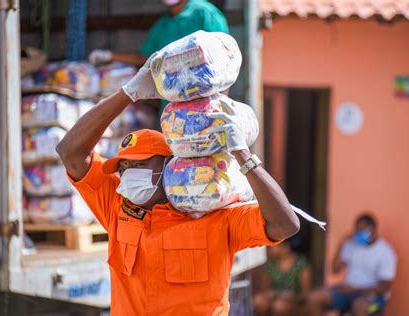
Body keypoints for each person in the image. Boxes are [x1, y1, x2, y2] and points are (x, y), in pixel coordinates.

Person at [56, 54, 300, 314]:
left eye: (139, 165)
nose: (128, 175)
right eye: (124, 167)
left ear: (171, 167)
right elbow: (70, 153)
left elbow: (286, 225)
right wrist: (128, 94)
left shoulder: (215, 217)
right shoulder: (117, 207)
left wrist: (242, 154)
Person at [88, 0, 229, 67]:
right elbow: (145, 57)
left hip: (204, 101)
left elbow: (225, 55)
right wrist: (110, 55)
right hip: (172, 105)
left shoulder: (204, 13)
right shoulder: (162, 25)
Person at [307, 213, 397, 316]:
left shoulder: (385, 252)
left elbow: (383, 288)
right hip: (347, 290)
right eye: (357, 230)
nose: (357, 233)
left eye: (361, 230)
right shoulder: (352, 245)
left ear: (372, 229)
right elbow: (335, 270)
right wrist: (341, 244)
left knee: (359, 307)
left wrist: (355, 289)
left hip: (371, 294)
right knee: (314, 299)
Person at [252, 240, 312, 316]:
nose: (269, 249)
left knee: (280, 306)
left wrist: (292, 296)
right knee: (258, 301)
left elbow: (306, 293)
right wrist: (273, 294)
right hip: (274, 298)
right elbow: (265, 289)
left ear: (285, 247)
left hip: (294, 300)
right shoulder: (270, 264)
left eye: (273, 246)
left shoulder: (301, 263)